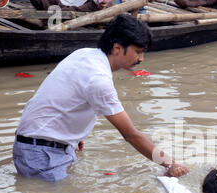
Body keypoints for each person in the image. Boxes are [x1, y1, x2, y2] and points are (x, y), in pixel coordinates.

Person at [13, 14, 189, 182]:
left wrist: (74, 135)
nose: (141, 59)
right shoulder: (98, 79)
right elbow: (131, 134)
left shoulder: (84, 54)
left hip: (36, 145)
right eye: (138, 52)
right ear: (117, 48)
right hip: (42, 154)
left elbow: (63, 96)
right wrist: (169, 164)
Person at [30, 0, 111, 12]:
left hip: (87, 5)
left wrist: (101, 3)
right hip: (61, 3)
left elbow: (103, 2)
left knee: (67, 12)